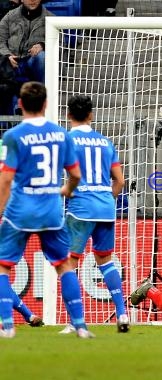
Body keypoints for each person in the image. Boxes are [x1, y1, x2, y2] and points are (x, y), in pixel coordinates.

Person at [0, 82, 92, 338]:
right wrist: (66, 190)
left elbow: (6, 180)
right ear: (46, 104)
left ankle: (7, 327)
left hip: (20, 211)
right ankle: (81, 326)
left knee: (2, 267)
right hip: (51, 210)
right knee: (63, 266)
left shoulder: (13, 136)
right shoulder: (61, 134)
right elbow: (74, 174)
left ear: (20, 104)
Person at [57, 95, 128, 334]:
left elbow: (66, 175)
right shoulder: (105, 142)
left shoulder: (67, 141)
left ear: (68, 115)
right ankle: (122, 313)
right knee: (105, 261)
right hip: (106, 208)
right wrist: (107, 200)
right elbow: (120, 181)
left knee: (68, 264)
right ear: (91, 115)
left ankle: (74, 321)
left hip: (81, 208)